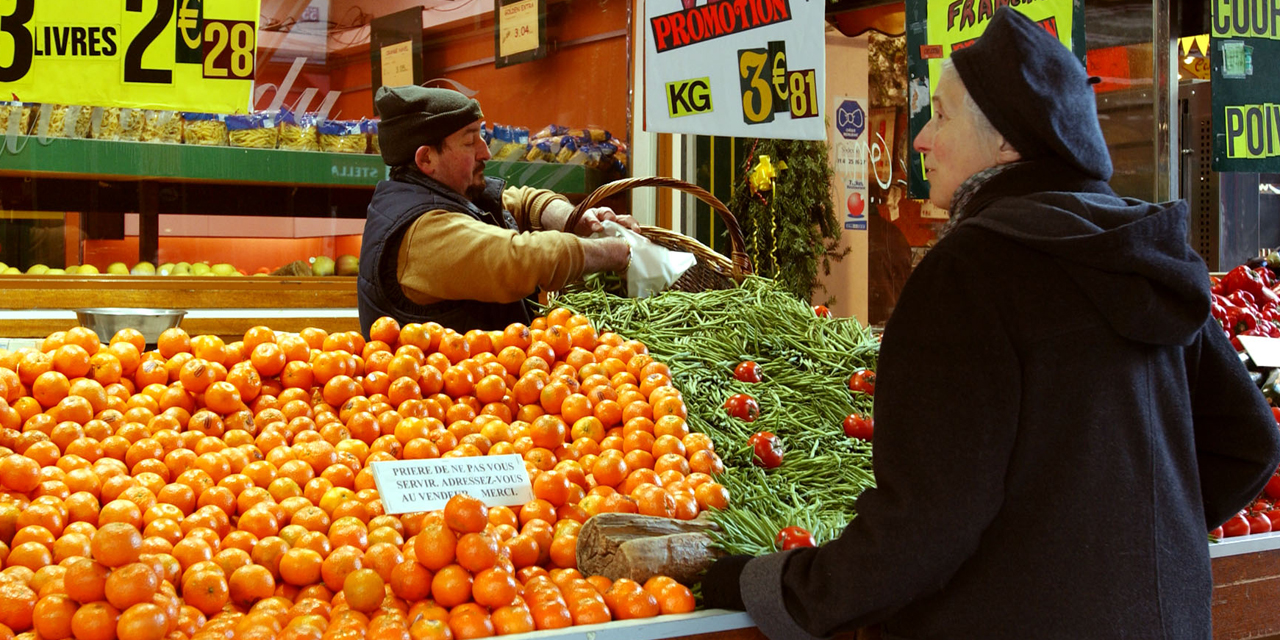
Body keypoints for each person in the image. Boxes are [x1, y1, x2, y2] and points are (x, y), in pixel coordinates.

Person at [700, 8, 1280, 639]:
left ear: (1007, 141)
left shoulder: (969, 274)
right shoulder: (1151, 255)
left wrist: (762, 583)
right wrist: (1123, 551)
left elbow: (922, 528)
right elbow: (1249, 442)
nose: (920, 139)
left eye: (941, 115)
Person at [357, 85, 634, 336]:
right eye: (469, 142)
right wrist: (615, 252)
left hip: (487, 381)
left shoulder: (451, 192)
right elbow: (518, 259)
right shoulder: (423, 231)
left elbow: (519, 202)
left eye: (482, 136)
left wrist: (573, 218)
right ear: (426, 158)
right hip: (440, 388)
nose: (485, 152)